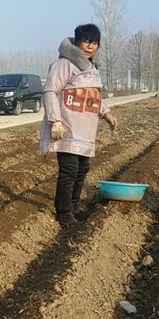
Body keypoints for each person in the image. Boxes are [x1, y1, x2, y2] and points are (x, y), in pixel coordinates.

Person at [40, 24, 118, 229]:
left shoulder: (93, 69)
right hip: (66, 127)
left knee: (82, 168)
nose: (90, 47)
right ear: (76, 42)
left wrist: (106, 113)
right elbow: (50, 91)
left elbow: (93, 96)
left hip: (85, 129)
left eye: (94, 43)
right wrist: (54, 121)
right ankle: (63, 212)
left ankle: (73, 206)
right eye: (86, 42)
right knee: (69, 169)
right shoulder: (64, 64)